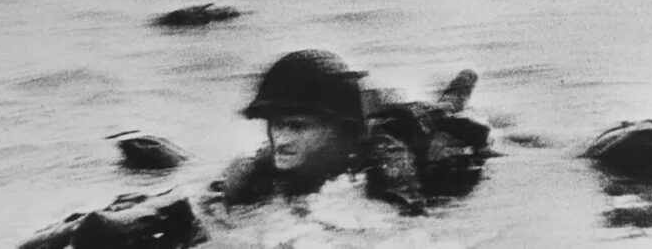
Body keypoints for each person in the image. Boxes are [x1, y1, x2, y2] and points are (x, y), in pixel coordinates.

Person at [206, 49, 492, 216]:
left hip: (427, 141)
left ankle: (459, 89)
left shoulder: (387, 155)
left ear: (341, 128)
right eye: (276, 124)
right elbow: (218, 203)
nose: (281, 140)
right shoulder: (270, 159)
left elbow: (409, 221)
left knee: (444, 118)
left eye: (297, 126)